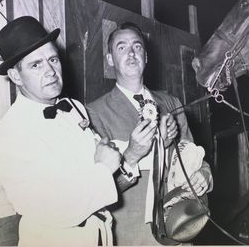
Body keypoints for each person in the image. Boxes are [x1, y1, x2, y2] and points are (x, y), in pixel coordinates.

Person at [0, 16, 138, 247]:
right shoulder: (7, 136)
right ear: (15, 76)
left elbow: (93, 166)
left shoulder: (75, 108)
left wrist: (130, 154)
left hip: (101, 235)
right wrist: (102, 167)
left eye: (53, 59)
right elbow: (53, 208)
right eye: (36, 65)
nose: (50, 71)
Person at [86, 22, 213, 245]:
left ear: (146, 56)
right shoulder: (94, 113)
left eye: (137, 47)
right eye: (121, 47)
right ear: (109, 60)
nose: (131, 53)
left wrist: (204, 174)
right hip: (132, 235)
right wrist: (137, 152)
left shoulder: (171, 103)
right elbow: (99, 188)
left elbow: (193, 158)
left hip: (179, 230)